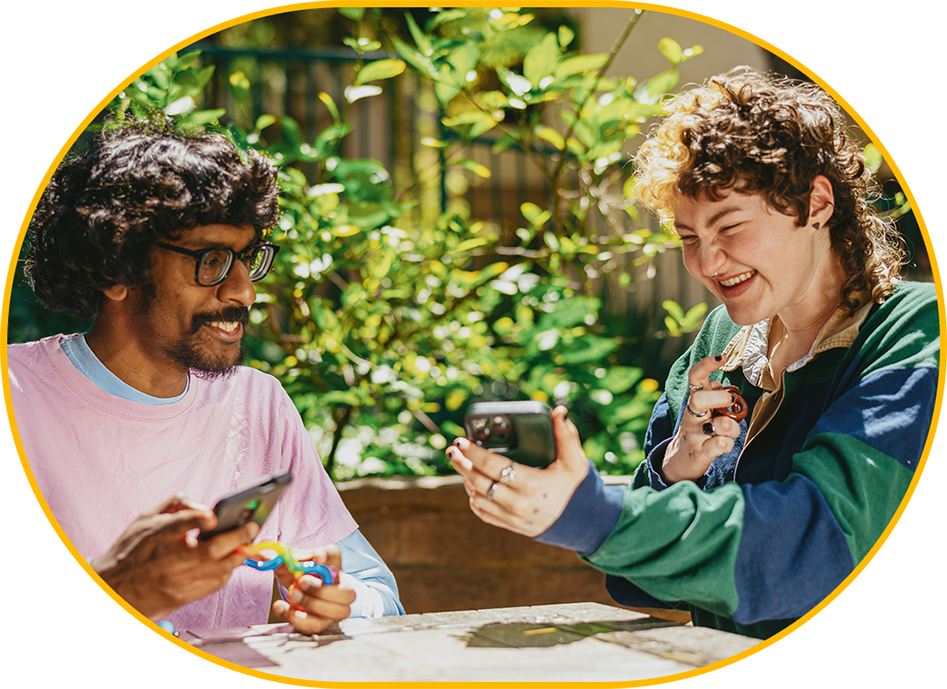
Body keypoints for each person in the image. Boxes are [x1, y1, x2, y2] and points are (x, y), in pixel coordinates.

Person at [448, 68, 938, 639]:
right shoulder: (719, 342)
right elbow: (645, 584)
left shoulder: (916, 332)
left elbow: (816, 549)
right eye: (688, 237)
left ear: (817, 203)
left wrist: (590, 517)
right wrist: (677, 467)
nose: (708, 262)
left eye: (729, 225)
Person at [9, 120, 404, 634]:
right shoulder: (17, 398)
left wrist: (338, 601)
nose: (243, 292)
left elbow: (380, 595)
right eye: (212, 260)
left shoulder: (258, 403)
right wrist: (123, 589)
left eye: (247, 259)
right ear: (116, 271)